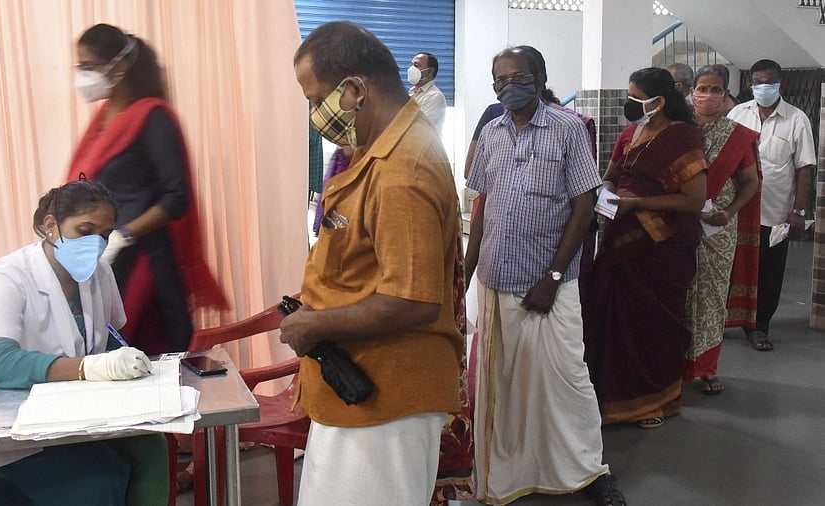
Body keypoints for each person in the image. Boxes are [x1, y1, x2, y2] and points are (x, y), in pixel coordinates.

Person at [284, 21, 465, 506]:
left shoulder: (403, 169)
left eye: (315, 97)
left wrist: (315, 324)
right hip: (359, 387)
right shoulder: (373, 150)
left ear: (355, 89)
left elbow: (413, 299)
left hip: (389, 393)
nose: (313, 113)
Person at [464, 46, 624, 506]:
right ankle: (508, 474)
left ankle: (590, 471)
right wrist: (464, 273)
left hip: (549, 283)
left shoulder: (568, 128)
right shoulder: (491, 131)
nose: (508, 86)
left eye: (518, 77)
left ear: (539, 77)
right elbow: (482, 208)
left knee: (568, 380)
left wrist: (552, 277)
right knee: (503, 384)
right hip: (495, 279)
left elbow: (583, 205)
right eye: (500, 79)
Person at [0, 180, 169, 506]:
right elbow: (0, 364)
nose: (95, 244)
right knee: (101, 479)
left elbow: (107, 338)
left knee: (150, 446)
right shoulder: (6, 277)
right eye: (84, 230)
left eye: (104, 235)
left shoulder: (99, 273)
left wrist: (124, 360)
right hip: (6, 427)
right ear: (50, 226)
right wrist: (91, 367)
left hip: (67, 412)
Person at [68, 23, 227, 356]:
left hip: (144, 262)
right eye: (79, 67)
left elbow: (176, 197)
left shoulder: (154, 117)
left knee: (144, 355)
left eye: (89, 66)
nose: (82, 76)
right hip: (103, 261)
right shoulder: (104, 118)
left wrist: (123, 235)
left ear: (119, 66)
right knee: (103, 354)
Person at [582, 67, 707, 428]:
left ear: (659, 102)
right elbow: (610, 176)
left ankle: (655, 402)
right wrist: (605, 192)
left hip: (662, 248)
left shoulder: (683, 137)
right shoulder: (629, 134)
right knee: (611, 319)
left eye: (636, 97)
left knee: (652, 324)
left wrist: (636, 205)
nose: (630, 103)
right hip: (620, 241)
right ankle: (611, 400)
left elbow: (694, 200)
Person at [727, 58, 816, 351]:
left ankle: (759, 327)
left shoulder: (796, 119)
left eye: (769, 82)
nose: (763, 87)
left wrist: (799, 211)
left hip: (776, 211)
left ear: (781, 84)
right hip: (738, 209)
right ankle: (724, 322)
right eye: (758, 82)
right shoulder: (738, 114)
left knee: (769, 272)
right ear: (750, 85)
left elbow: (805, 167)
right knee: (732, 268)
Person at [683, 65, 762, 395]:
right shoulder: (678, 130)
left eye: (716, 89)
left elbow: (750, 182)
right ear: (692, 91)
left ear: (726, 94)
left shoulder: (736, 135)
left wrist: (728, 212)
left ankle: (706, 369)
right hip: (680, 227)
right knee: (680, 296)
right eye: (703, 87)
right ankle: (673, 365)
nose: (709, 95)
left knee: (712, 298)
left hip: (718, 231)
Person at [408, 52, 447, 131]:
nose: (411, 69)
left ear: (429, 72)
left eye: (416, 65)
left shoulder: (434, 97)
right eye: (411, 65)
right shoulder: (411, 92)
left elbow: (420, 129)